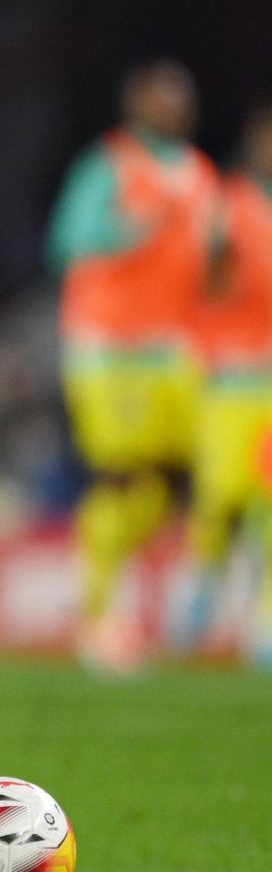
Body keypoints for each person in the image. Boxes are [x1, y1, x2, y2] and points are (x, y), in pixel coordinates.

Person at [45, 61, 218, 671]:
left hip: (174, 350)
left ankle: (176, 604)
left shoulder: (199, 174)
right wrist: (130, 230)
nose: (171, 108)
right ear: (136, 103)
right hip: (109, 347)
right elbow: (66, 240)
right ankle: (100, 616)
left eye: (180, 98)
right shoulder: (109, 165)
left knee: (181, 481)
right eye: (160, 98)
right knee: (121, 474)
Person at [180, 103, 272, 662]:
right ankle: (203, 590)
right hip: (230, 377)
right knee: (221, 501)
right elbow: (200, 283)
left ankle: (265, 624)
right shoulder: (228, 204)